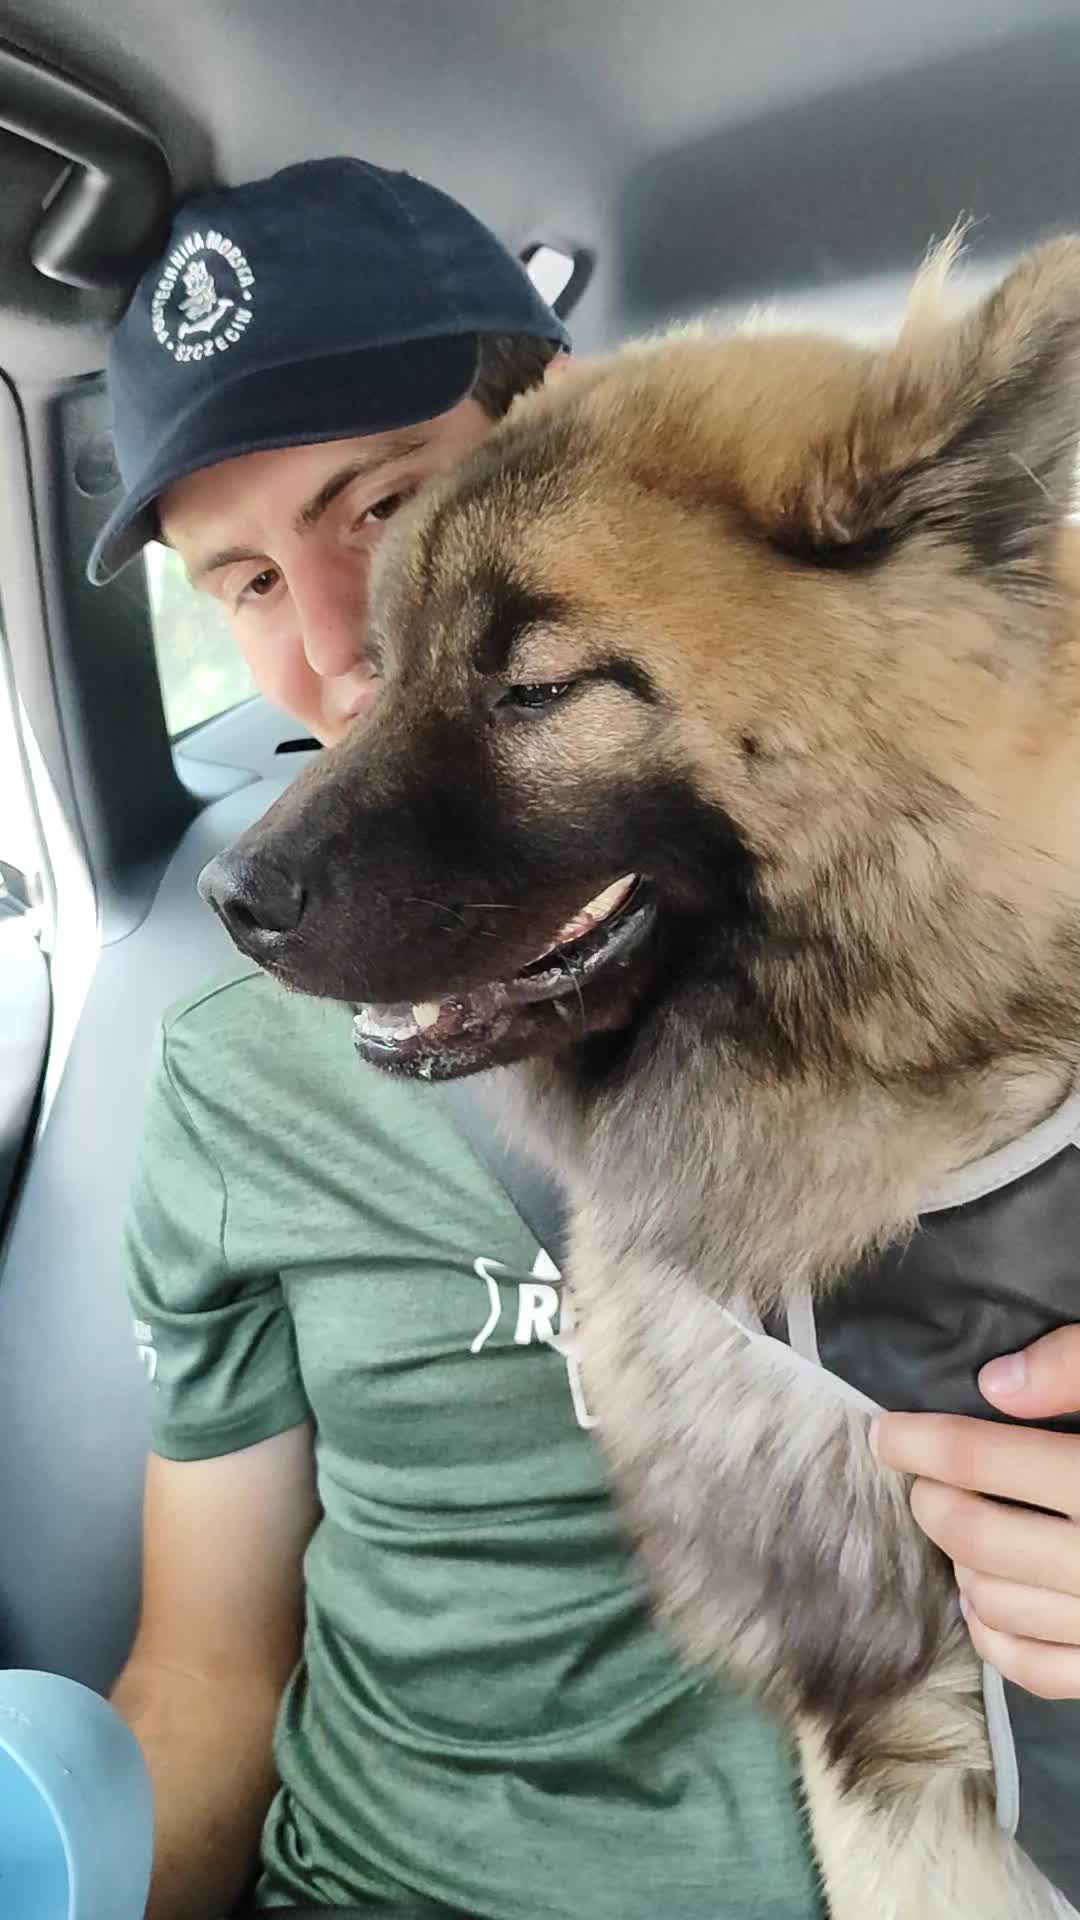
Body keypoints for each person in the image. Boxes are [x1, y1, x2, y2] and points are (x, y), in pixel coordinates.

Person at [90, 158, 1080, 1920]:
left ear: (563, 422)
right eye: (239, 580)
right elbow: (200, 1679)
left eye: (383, 504)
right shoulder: (233, 1068)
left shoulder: (993, 935)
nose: (336, 646)